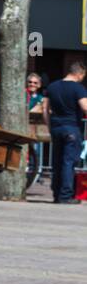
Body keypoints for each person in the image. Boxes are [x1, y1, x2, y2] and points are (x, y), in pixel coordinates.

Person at [43, 61, 87, 204]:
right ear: (79, 74)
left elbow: (45, 109)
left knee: (57, 161)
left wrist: (50, 126)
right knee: (68, 162)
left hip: (56, 127)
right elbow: (85, 107)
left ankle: (56, 194)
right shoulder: (78, 88)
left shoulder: (52, 86)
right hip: (72, 128)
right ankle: (66, 195)